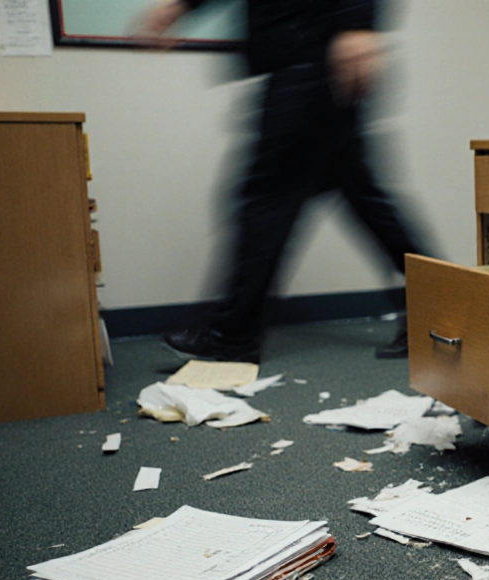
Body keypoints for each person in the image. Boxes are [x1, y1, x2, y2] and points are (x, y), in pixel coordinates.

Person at [136, 0, 429, 363]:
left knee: (266, 201)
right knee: (360, 193)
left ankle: (232, 333)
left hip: (314, 57)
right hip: (309, 58)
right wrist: (183, 6)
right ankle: (443, 307)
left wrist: (358, 23)